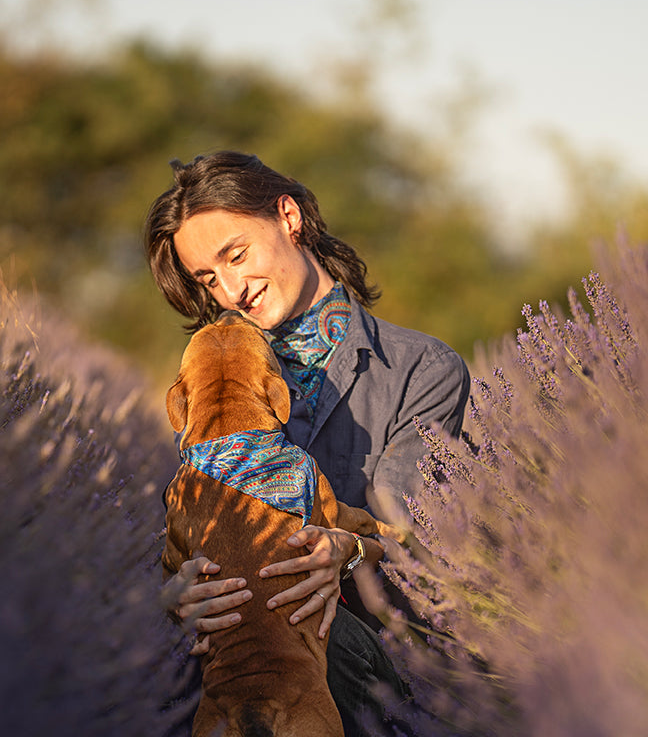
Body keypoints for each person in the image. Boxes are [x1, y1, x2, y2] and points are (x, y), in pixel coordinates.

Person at [145, 151, 470, 736]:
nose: (232, 290)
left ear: (289, 217)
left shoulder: (422, 370)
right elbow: (191, 534)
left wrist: (348, 551)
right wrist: (175, 599)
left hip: (376, 659)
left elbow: (410, 538)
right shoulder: (209, 380)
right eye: (209, 279)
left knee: (310, 625)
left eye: (236, 255)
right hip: (245, 668)